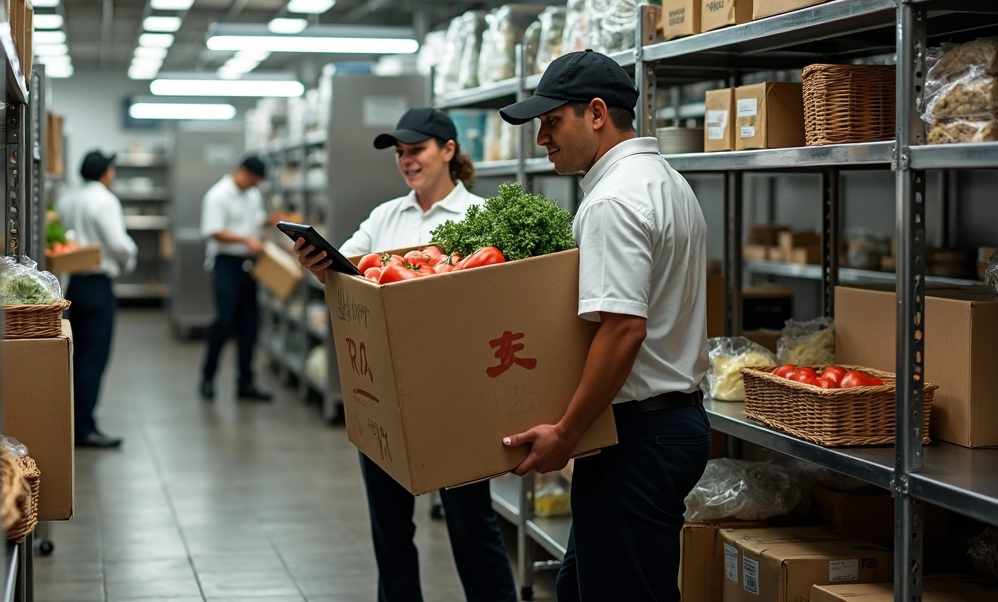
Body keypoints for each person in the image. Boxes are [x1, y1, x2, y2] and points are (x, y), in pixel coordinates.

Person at [498, 50, 711, 601]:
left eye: (551, 122)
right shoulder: (666, 181)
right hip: (665, 426)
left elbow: (623, 330)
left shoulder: (613, 201)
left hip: (637, 439)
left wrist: (565, 433)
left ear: (596, 113)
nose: (541, 139)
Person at [294, 107, 517, 602]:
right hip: (387, 395)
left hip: (457, 397)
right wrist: (317, 266)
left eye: (416, 150)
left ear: (449, 151)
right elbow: (347, 274)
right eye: (400, 153)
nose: (406, 161)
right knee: (390, 531)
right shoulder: (385, 216)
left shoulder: (478, 216)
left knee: (471, 525)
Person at [57, 150, 139, 449]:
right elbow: (119, 244)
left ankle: (72, 423)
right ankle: (84, 428)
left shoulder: (69, 198)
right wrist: (129, 258)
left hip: (73, 284)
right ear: (106, 172)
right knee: (93, 359)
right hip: (97, 285)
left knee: (78, 358)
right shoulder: (104, 199)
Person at [199, 155, 273, 403]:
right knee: (224, 321)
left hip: (248, 265)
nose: (255, 185)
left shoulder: (253, 195)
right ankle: (208, 378)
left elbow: (255, 222)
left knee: (249, 325)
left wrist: (268, 224)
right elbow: (212, 231)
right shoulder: (218, 195)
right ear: (243, 172)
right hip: (225, 265)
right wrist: (245, 240)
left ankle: (245, 383)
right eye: (254, 179)